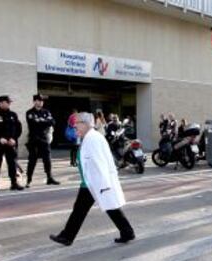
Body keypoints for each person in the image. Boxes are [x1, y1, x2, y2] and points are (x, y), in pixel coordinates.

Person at [50, 112, 135, 246]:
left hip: (94, 183)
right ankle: (127, 232)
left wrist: (104, 185)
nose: (74, 126)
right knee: (106, 207)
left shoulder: (93, 139)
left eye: (77, 123)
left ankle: (67, 236)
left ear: (85, 124)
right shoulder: (89, 137)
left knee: (84, 209)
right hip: (91, 182)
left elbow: (100, 162)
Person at [0, 96, 24, 193]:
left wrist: (14, 138)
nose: (9, 104)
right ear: (0, 103)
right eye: (7, 102)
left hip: (10, 144)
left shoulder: (13, 115)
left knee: (12, 164)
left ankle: (14, 183)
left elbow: (18, 128)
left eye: (9, 102)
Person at [25, 94, 60, 188]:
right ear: (34, 101)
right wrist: (45, 122)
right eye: (38, 100)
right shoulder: (29, 112)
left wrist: (40, 121)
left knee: (47, 160)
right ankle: (28, 180)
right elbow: (33, 124)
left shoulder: (46, 112)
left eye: (41, 101)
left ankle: (50, 178)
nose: (40, 102)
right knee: (32, 161)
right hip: (34, 140)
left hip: (44, 140)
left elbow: (52, 122)